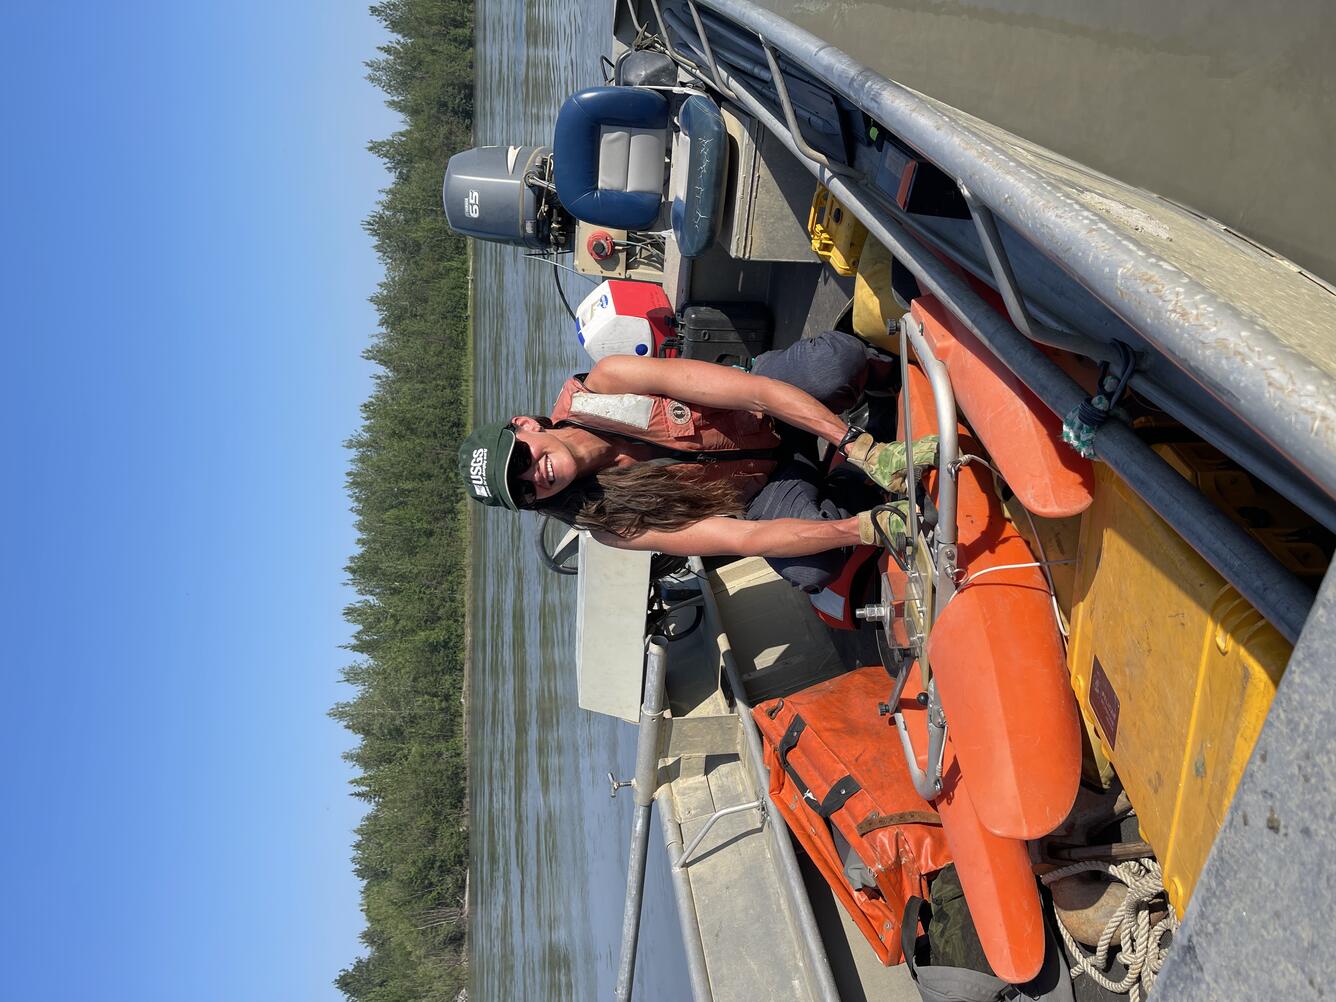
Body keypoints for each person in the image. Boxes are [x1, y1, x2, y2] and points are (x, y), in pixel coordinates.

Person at [459, 331, 934, 591]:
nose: (532, 476)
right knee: (812, 570)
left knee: (831, 365)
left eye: (519, 457)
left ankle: (875, 401)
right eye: (521, 491)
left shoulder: (606, 382)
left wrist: (859, 445)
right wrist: (865, 529)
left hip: (766, 412)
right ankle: (858, 487)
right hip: (769, 484)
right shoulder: (611, 525)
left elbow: (757, 391)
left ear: (525, 424)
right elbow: (743, 536)